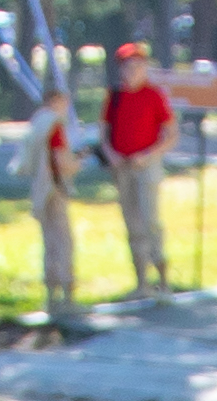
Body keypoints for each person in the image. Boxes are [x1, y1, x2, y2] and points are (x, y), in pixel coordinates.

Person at [102, 43, 175, 293]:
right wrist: (111, 154)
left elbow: (171, 134)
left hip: (147, 165)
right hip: (122, 167)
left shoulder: (154, 95)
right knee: (131, 223)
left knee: (151, 221)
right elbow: (104, 134)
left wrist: (148, 155)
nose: (132, 71)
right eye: (127, 67)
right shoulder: (114, 96)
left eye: (137, 66)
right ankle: (141, 281)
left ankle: (163, 280)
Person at [18, 63, 86, 324]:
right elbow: (62, 161)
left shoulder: (37, 122)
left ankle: (51, 295)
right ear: (59, 99)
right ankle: (67, 295)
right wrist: (79, 161)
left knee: (48, 242)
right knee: (62, 241)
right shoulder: (55, 126)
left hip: (39, 187)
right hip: (55, 187)